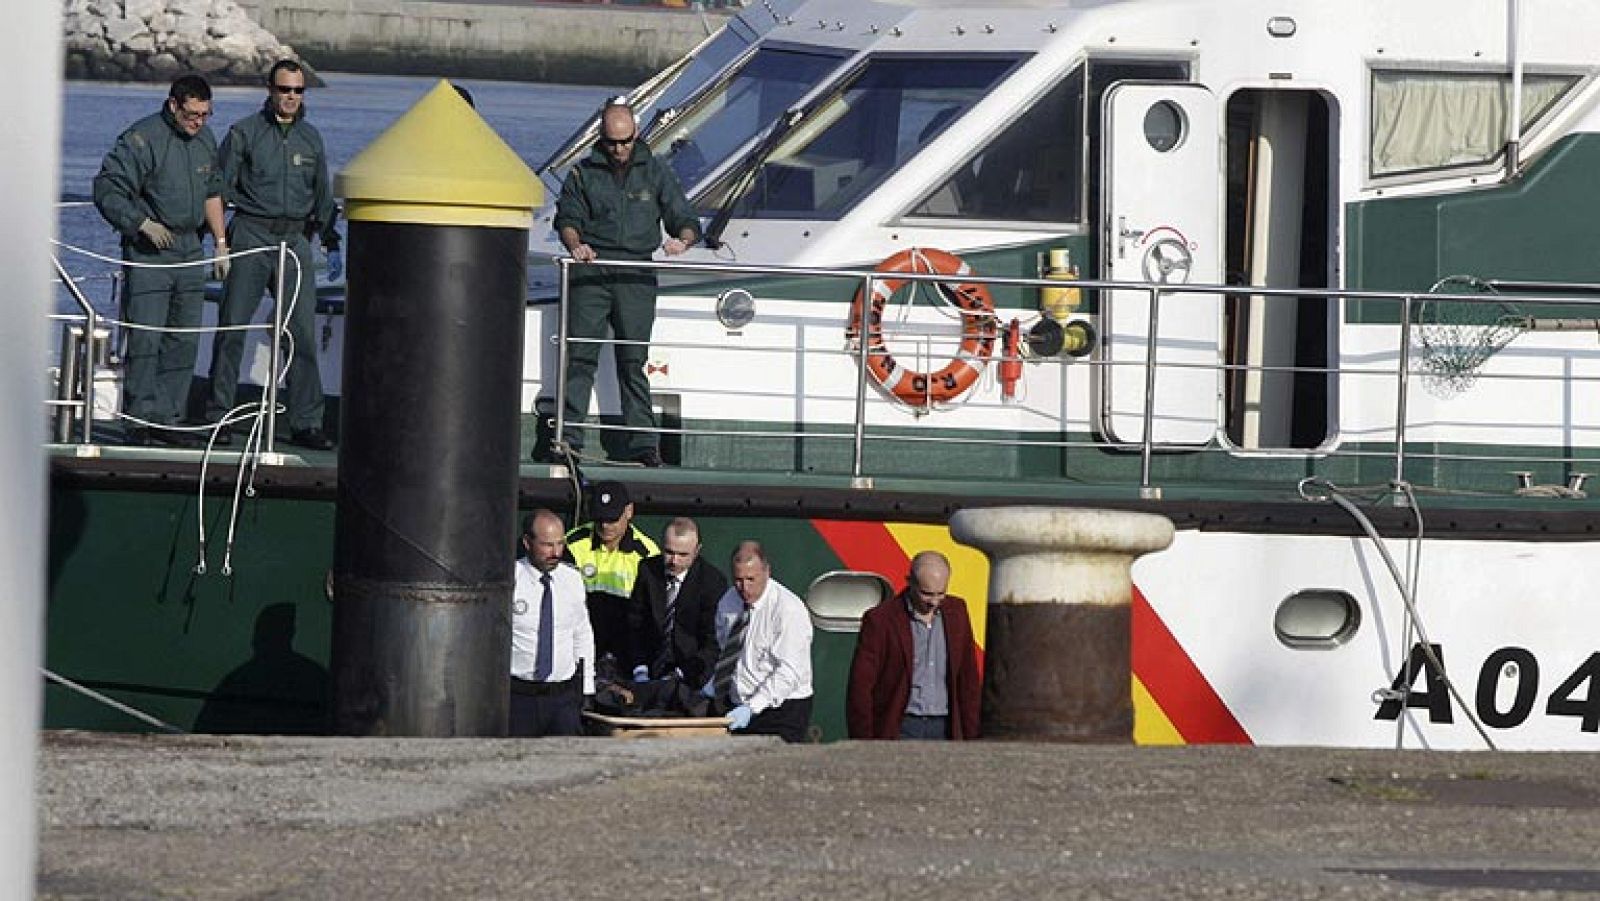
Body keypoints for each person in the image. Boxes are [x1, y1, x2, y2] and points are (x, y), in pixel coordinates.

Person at [550, 97, 700, 467]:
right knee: (580, 356)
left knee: (634, 361)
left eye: (625, 141)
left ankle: (643, 444)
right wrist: (576, 245)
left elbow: (684, 215)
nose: (619, 149)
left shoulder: (656, 171)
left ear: (636, 134)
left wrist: (682, 240)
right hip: (592, 270)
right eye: (612, 142)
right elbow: (567, 217)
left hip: (636, 273)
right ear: (602, 138)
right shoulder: (582, 173)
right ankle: (567, 439)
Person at [205, 59, 342, 451]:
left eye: (298, 91)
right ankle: (219, 414)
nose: (291, 98)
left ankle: (306, 421)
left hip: (295, 240)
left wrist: (330, 240)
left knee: (300, 334)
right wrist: (217, 242)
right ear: (270, 90)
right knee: (232, 327)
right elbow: (217, 186)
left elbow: (322, 196)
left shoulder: (312, 139)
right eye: (285, 90)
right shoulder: (244, 133)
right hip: (251, 233)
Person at [92, 74, 228, 447]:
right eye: (191, 114)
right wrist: (140, 223)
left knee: (182, 339)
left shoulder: (206, 141)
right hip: (151, 249)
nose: (198, 122)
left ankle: (169, 417)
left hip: (189, 250)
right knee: (146, 335)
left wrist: (220, 242)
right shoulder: (142, 138)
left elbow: (213, 192)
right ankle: (138, 419)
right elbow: (106, 187)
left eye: (205, 115)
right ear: (173, 105)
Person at [846, 550, 982, 740]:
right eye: (926, 594)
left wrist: (972, 735)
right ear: (910, 582)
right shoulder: (881, 620)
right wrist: (864, 740)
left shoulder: (957, 612)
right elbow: (861, 686)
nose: (934, 602)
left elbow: (968, 680)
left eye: (941, 593)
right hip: (901, 725)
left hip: (946, 726)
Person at [711, 541, 813, 742]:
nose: (744, 587)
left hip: (782, 709)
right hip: (739, 703)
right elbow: (726, 650)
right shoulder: (729, 602)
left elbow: (789, 672)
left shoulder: (787, 610)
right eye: (738, 580)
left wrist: (752, 708)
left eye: (751, 579)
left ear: (767, 572)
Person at [510, 509, 595, 737]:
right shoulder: (511, 579)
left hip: (563, 699)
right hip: (519, 697)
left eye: (560, 544)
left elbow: (582, 633)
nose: (556, 552)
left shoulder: (572, 579)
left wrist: (587, 687)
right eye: (547, 545)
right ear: (527, 542)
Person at [626, 517, 728, 689]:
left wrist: (682, 674)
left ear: (697, 551)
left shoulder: (711, 582)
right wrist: (640, 669)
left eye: (683, 555)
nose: (674, 561)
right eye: (669, 552)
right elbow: (635, 624)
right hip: (650, 668)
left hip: (691, 673)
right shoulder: (648, 571)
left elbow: (712, 642)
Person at [564, 480, 658, 666]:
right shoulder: (572, 544)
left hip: (627, 643)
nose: (605, 526)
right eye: (600, 519)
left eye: (612, 519)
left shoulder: (647, 554)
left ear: (629, 511)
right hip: (578, 638)